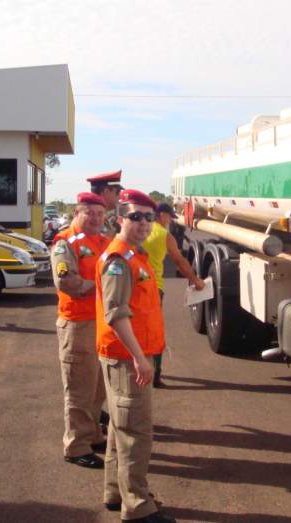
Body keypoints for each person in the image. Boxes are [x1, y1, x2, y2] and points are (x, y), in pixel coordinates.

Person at [96, 189, 175, 523]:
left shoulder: (135, 255)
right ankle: (138, 507)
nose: (144, 223)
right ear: (120, 220)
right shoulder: (119, 260)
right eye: (135, 216)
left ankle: (116, 492)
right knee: (136, 433)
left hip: (130, 356)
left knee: (119, 427)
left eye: (148, 216)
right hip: (127, 359)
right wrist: (140, 358)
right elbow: (115, 314)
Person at [50, 192, 112, 469]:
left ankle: (93, 434)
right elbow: (67, 283)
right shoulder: (65, 243)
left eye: (100, 214)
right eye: (90, 213)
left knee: (98, 386)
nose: (96, 219)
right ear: (77, 213)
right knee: (79, 389)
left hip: (100, 324)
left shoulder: (103, 241)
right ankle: (75, 446)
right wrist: (101, 289)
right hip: (77, 325)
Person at [143, 202, 204, 387]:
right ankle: (155, 375)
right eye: (169, 217)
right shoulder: (164, 235)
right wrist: (196, 281)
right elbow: (179, 261)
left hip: (136, 286)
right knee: (155, 331)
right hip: (154, 288)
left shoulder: (140, 229)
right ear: (162, 215)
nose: (170, 221)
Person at [86, 170, 123, 238]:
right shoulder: (91, 219)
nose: (119, 196)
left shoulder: (102, 218)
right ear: (106, 192)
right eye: (117, 192)